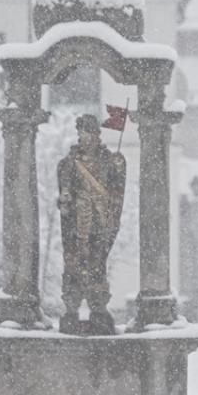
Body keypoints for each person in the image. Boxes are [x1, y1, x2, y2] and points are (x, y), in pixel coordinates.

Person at [57, 114, 126, 335]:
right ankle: (72, 306)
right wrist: (66, 197)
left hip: (100, 218)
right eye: (80, 133)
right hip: (78, 219)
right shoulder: (69, 162)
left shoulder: (110, 160)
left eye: (86, 133)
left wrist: (118, 168)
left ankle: (98, 307)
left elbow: (116, 190)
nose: (83, 138)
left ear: (96, 134)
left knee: (98, 261)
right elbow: (64, 185)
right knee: (74, 261)